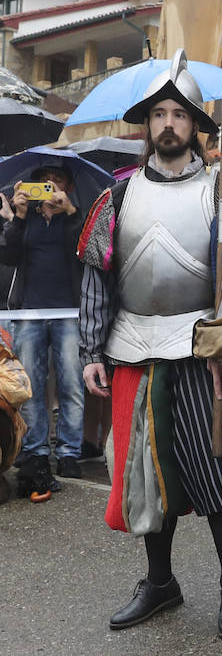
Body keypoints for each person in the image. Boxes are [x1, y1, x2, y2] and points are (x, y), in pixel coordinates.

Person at [78, 55, 222, 641]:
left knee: (214, 471)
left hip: (203, 351)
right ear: (148, 124)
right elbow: (97, 277)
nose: (169, 123)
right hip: (133, 350)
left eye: (180, 115)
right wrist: (92, 350)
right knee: (147, 471)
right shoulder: (115, 199)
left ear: (196, 126)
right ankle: (160, 583)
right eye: (160, 114)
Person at [0, 163, 85, 494]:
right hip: (30, 313)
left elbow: (84, 251)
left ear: (69, 187)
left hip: (69, 313)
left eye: (57, 181)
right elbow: (7, 254)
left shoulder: (75, 217)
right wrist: (19, 215)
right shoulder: (27, 219)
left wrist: (71, 211)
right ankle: (34, 451)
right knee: (30, 387)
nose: (50, 186)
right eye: (44, 182)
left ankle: (68, 453)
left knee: (71, 385)